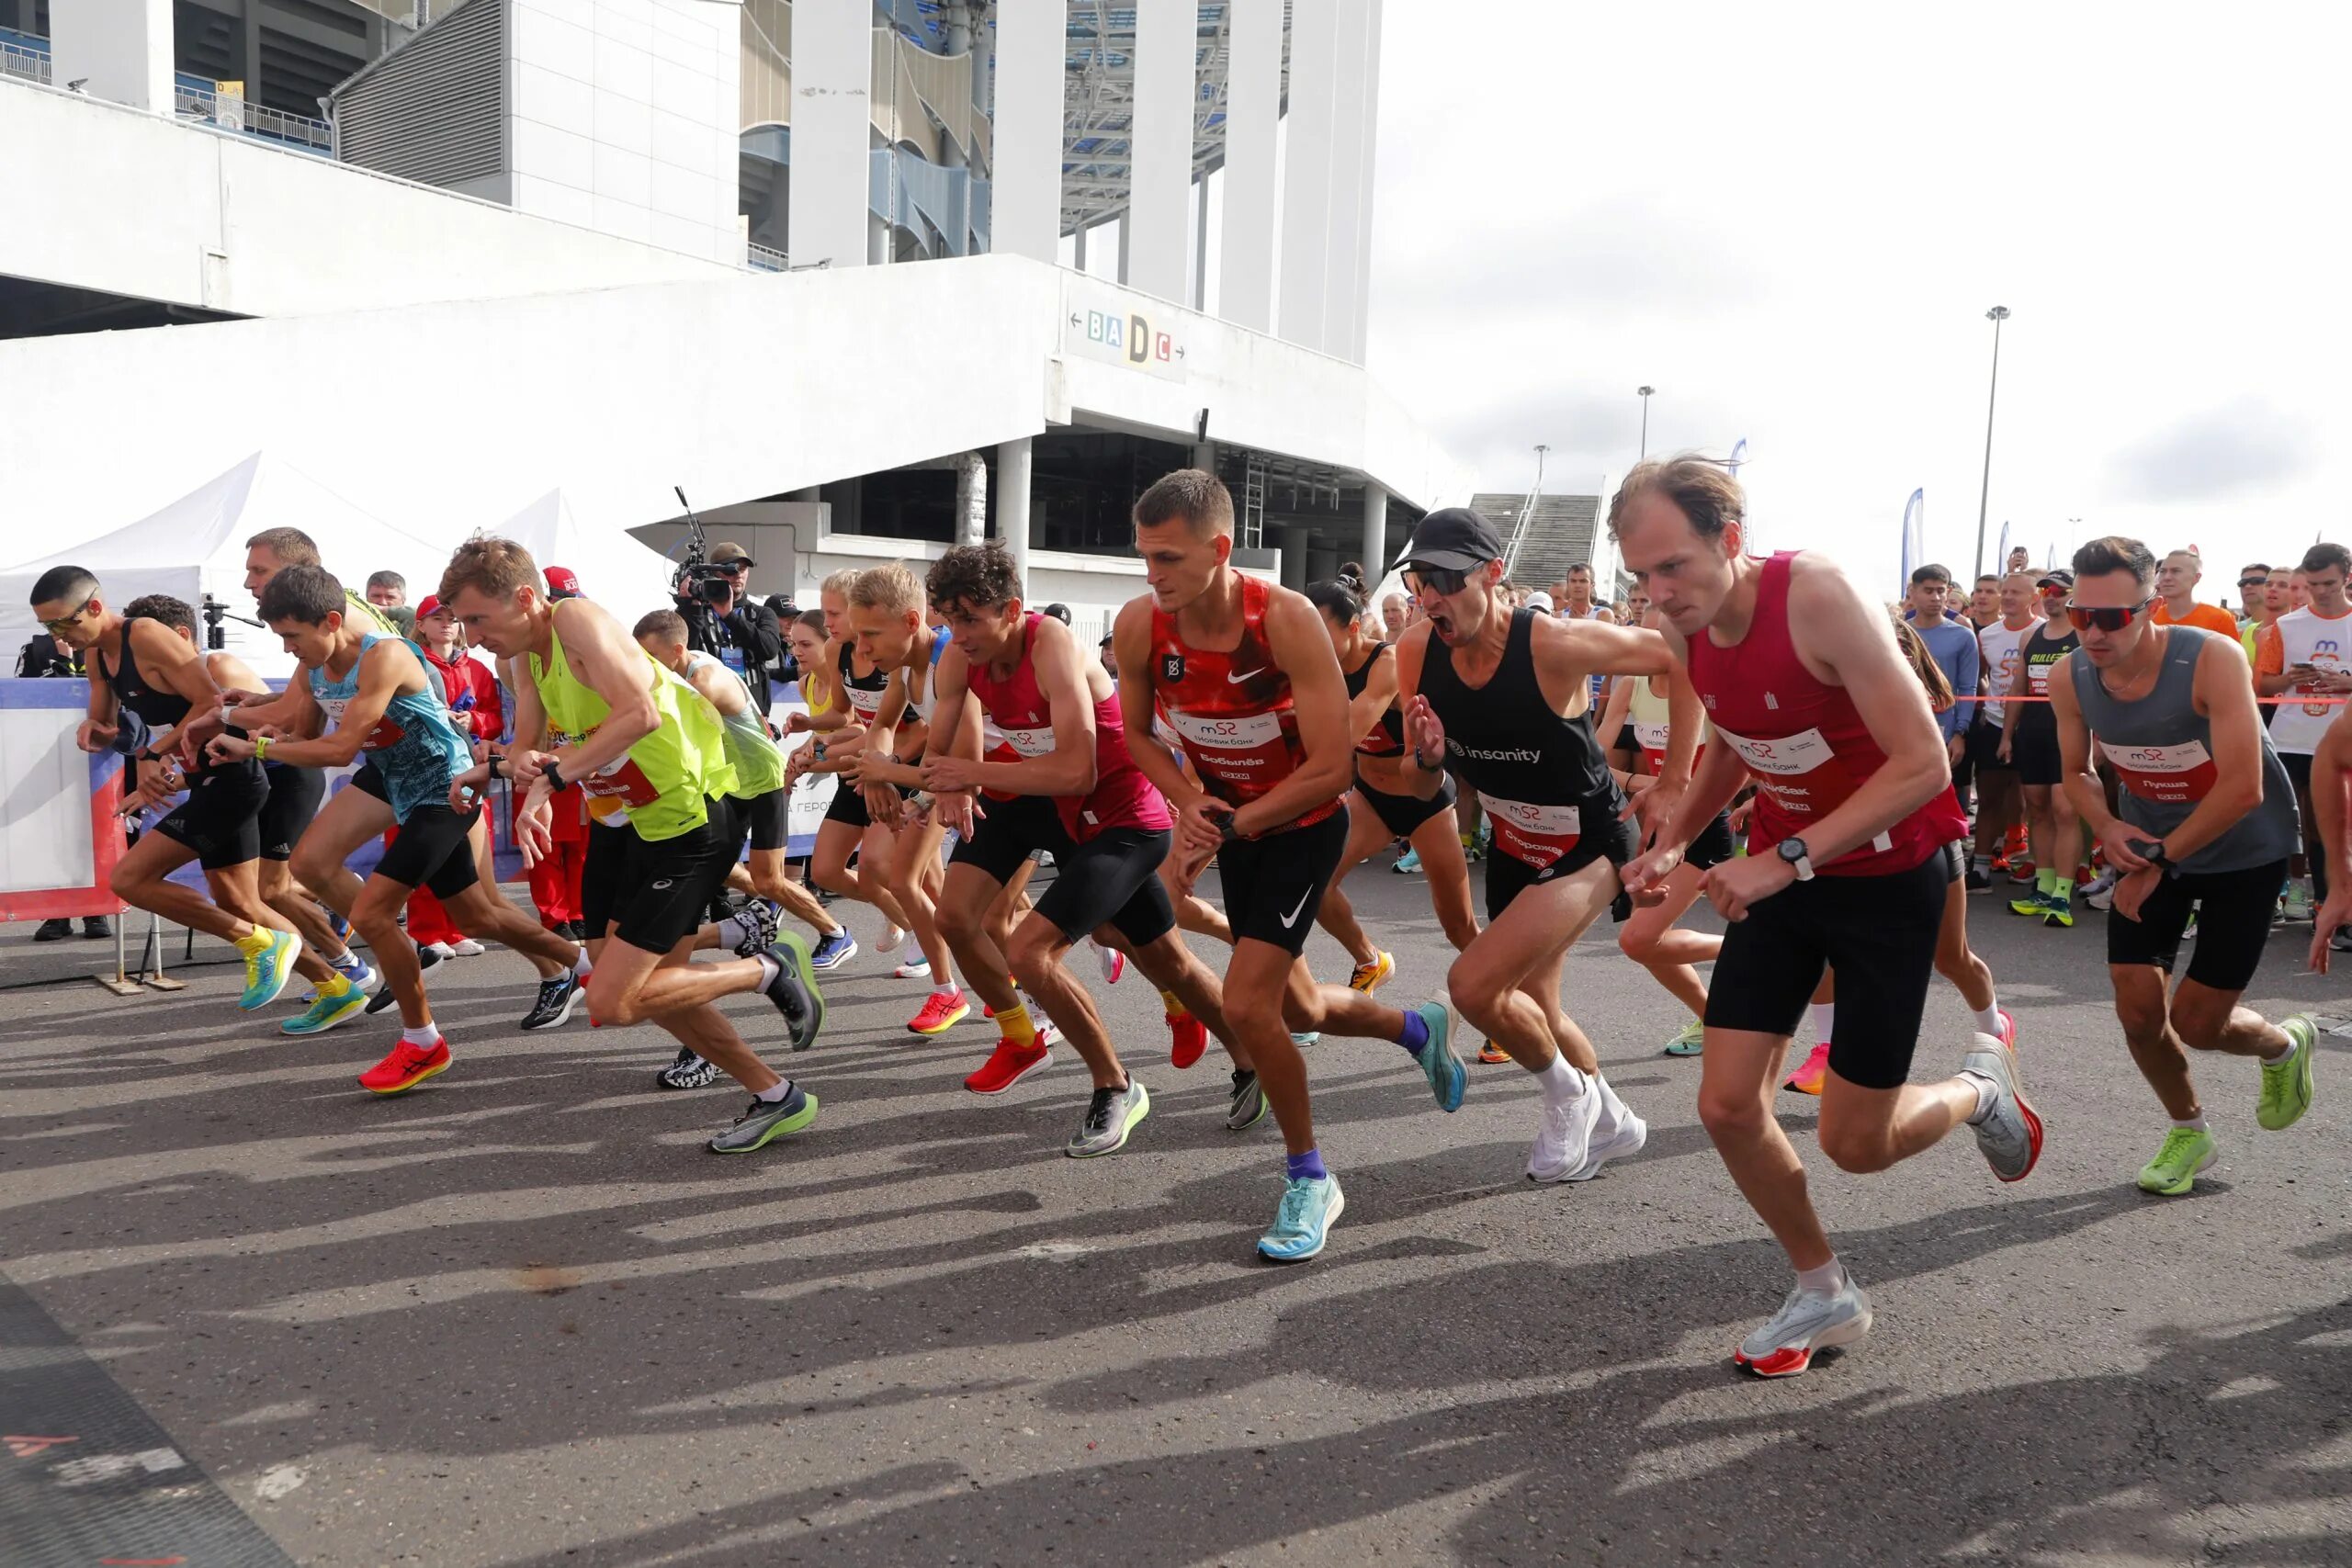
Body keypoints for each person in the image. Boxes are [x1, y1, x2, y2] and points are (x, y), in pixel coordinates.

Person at [1616, 457, 2040, 1379]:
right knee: (1727, 1104)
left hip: (1888, 881)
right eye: (1640, 575)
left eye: (1673, 567)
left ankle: (1979, 1090)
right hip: (1782, 878)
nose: (1658, 592)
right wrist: (1677, 844)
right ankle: (1822, 1289)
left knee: (1857, 1144)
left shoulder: (1815, 594)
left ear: (1729, 541)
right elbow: (1735, 736)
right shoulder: (1683, 629)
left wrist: (1787, 857)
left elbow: (1923, 762)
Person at [1115, 469, 1461, 1264]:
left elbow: (1335, 765)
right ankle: (1417, 1025)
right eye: (1145, 556)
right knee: (1296, 1008)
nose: (1152, 574)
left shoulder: (1287, 621)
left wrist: (1227, 822)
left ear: (1221, 549)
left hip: (1301, 824)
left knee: (1247, 1005)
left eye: (1168, 557)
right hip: (1236, 826)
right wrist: (1187, 801)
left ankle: (1310, 1175)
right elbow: (1138, 735)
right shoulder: (1142, 626)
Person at [441, 536, 827, 1154]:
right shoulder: (526, 658)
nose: (473, 633)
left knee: (613, 1000)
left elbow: (640, 714)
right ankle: (777, 1094)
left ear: (524, 597)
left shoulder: (577, 619)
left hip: (690, 820)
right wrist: (506, 775)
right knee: (645, 984)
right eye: (464, 622)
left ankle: (766, 965)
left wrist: (555, 777)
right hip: (626, 822)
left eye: (479, 618)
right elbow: (528, 747)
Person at [216, 566, 594, 1090]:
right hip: (390, 778)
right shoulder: (316, 660)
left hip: (444, 782)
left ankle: (422, 1042)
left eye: (292, 638)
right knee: (467, 911)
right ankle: (580, 963)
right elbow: (303, 728)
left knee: (386, 910)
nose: (286, 651)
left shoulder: (384, 655)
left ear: (329, 620)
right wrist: (250, 712)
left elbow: (339, 748)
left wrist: (254, 745)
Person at [917, 543, 1237, 1153]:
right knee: (955, 916)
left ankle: (1233, 1060)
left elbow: (1076, 772)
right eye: (949, 618)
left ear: (1012, 609)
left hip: (1115, 811)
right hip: (1033, 798)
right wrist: (929, 786)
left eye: (970, 618)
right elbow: (939, 756)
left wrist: (965, 775)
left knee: (1138, 952)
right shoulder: (959, 657)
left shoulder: (1052, 643)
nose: (958, 632)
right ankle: (1025, 1038)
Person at [1391, 507, 1668, 1179]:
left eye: (1446, 579)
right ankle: (1612, 1116)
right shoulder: (1416, 650)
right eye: (1419, 580)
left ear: (1493, 573)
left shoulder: (1554, 643)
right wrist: (1429, 758)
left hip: (1589, 841)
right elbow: (1410, 772)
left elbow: (1677, 658)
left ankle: (1565, 1094)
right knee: (1535, 1007)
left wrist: (1679, 779)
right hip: (1514, 841)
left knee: (1474, 984)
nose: (1430, 597)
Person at [2049, 536, 2312, 1194]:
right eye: (2082, 614)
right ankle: (2189, 1130)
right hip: (2151, 846)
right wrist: (2108, 826)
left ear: (2152, 606)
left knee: (2199, 1024)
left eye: (2112, 617)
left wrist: (2160, 858)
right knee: (2138, 1010)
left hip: (2243, 852)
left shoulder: (2211, 658)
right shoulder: (2070, 673)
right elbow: (2076, 773)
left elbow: (2242, 788)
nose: (2094, 631)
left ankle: (2282, 1044)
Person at [29, 565, 329, 1012]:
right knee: (239, 897)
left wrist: (155, 755)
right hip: (210, 776)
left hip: (234, 775)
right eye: (47, 626)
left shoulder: (144, 634)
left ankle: (270, 944)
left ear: (94, 607)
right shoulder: (95, 653)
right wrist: (97, 729)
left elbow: (210, 701)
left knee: (132, 879)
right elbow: (108, 723)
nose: (58, 634)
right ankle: (338, 982)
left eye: (63, 622)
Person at [633, 609, 857, 1090]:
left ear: (676, 652)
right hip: (728, 788)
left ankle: (835, 933)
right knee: (716, 873)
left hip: (762, 783)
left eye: (650, 660)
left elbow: (668, 718)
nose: (644, 670)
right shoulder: (674, 673)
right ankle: (749, 929)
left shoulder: (706, 676)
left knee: (769, 880)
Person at [1302, 566, 1481, 1011]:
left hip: (1425, 802)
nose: (1312, 644)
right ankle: (1370, 960)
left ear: (1355, 627)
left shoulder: (1386, 663)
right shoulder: (1314, 668)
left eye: (1322, 632)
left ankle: (1500, 1001)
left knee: (1458, 925)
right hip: (1373, 799)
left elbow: (1346, 734)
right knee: (1317, 884)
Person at [835, 566, 972, 1034]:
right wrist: (876, 776)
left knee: (995, 915)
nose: (863, 649)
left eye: (871, 634)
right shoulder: (904, 668)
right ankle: (949, 991)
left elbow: (948, 761)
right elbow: (881, 727)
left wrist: (884, 772)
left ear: (912, 622)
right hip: (948, 783)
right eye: (858, 636)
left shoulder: (950, 656)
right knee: (909, 880)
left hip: (988, 785)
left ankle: (1018, 994)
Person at [789, 570, 934, 1001]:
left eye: (835, 612)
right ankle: (919, 929)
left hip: (905, 767)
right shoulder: (838, 651)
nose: (829, 620)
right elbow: (845, 716)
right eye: (827, 611)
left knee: (892, 872)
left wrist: (879, 767)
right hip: (871, 762)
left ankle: (942, 945)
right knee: (827, 870)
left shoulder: (896, 658)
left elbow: (919, 730)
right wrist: (812, 730)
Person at [1593, 605, 1731, 1056]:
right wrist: (1641, 783)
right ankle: (1715, 1018)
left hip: (1705, 827)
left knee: (1638, 939)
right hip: (1658, 828)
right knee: (1643, 941)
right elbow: (1593, 760)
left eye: (1669, 641)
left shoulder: (1709, 686)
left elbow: (1741, 763)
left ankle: (1750, 947)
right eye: (1648, 639)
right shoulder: (1632, 684)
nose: (1657, 650)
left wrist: (1685, 791)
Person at [399, 594, 505, 961]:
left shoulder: (476, 668)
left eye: (452, 617)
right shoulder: (410, 662)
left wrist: (474, 721)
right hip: (427, 768)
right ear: (421, 624)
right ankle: (427, 932)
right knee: (428, 852)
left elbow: (494, 716)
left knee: (464, 854)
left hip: (469, 765)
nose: (446, 623)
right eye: (436, 617)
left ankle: (455, 928)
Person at [2255, 543, 2352, 931]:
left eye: (2328, 583)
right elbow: (2263, 681)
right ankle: (2303, 895)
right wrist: (2290, 679)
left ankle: (2333, 904)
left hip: (2341, 739)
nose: (2321, 591)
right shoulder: (2286, 625)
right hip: (2292, 738)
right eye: (2313, 584)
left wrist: (2346, 684)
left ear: (2347, 576)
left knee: (2335, 824)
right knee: (2293, 822)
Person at [1998, 570, 2084, 924]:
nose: (2050, 596)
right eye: (2045, 590)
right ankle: (2044, 886)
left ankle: (2062, 895)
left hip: (2071, 732)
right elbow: (2018, 687)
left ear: (2073, 595)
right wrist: (2006, 734)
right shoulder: (2030, 637)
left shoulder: (2084, 635)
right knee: (2037, 809)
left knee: (2065, 811)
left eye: (2059, 591)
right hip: (2032, 733)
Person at [1969, 570, 2041, 887]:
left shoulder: (2044, 632)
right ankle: (1980, 866)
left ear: (2033, 598)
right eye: (2006, 591)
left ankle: (2040, 865)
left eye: (2017, 593)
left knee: (2038, 803)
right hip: (1995, 723)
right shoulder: (1987, 635)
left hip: (2035, 727)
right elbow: (1983, 674)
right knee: (1988, 798)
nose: (2009, 597)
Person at [1903, 565, 1980, 815]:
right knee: (1908, 801)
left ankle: (1951, 853)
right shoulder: (1897, 632)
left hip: (1945, 730)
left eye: (1940, 591)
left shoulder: (1962, 635)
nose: (1935, 598)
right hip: (1903, 729)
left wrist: (1960, 732)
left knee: (1946, 804)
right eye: (1928, 591)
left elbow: (1968, 686)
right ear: (1913, 592)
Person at [679, 542, 784, 720]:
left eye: (742, 569)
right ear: (713, 573)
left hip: (753, 714)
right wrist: (690, 607)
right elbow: (683, 654)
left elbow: (769, 649)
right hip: (708, 713)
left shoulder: (761, 613)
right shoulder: (698, 612)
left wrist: (729, 616)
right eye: (730, 570)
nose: (738, 575)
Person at [2152, 548, 2244, 640]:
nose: (2167, 577)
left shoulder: (2220, 619)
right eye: (2162, 571)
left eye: (2176, 571)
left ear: (2196, 577)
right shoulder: (2150, 618)